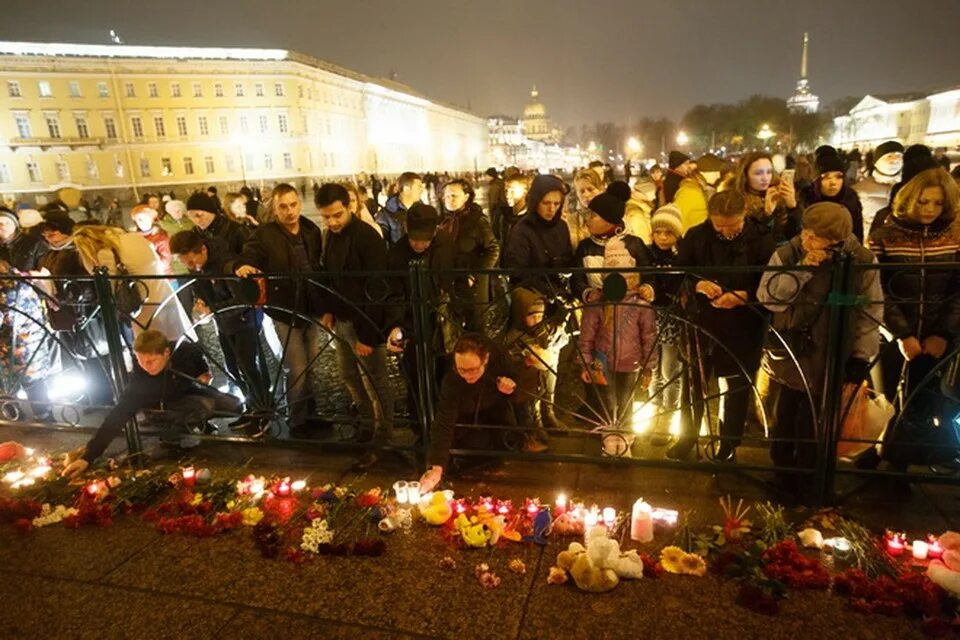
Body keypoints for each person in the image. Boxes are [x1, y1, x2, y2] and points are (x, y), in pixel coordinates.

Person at [758, 202, 882, 495]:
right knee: (786, 415)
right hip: (794, 349)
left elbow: (871, 312)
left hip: (834, 351)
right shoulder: (789, 252)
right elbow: (769, 297)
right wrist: (800, 271)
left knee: (819, 421)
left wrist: (861, 356)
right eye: (805, 232)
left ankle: (813, 480)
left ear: (835, 240)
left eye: (814, 237)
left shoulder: (861, 260)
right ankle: (783, 477)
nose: (806, 240)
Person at [671, 190, 776, 461]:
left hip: (745, 321)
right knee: (695, 381)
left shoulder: (761, 238)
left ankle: (729, 442)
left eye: (734, 226)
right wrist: (697, 284)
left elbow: (770, 280)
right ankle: (688, 436)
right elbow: (679, 273)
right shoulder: (697, 236)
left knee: (738, 383)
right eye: (720, 227)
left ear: (744, 217)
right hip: (702, 318)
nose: (728, 233)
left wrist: (745, 296)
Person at [866, 168, 960, 468]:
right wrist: (902, 334)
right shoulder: (885, 236)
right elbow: (878, 288)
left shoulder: (955, 237)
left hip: (937, 333)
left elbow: (958, 291)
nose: (930, 210)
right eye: (923, 202)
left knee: (923, 401)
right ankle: (879, 449)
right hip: (893, 332)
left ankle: (901, 465)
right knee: (886, 397)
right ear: (909, 200)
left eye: (937, 203)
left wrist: (943, 333)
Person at [61, 330, 242, 477]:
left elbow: (197, 356)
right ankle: (174, 437)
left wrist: (204, 372)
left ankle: (198, 423)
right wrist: (88, 457)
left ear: (166, 353)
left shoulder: (183, 352)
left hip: (191, 392)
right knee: (202, 407)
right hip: (164, 409)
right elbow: (117, 416)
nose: (146, 366)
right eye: (140, 361)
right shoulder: (140, 382)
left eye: (151, 361)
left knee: (234, 406)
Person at [229, 183, 324, 436]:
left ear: (299, 204)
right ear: (275, 208)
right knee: (297, 367)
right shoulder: (265, 235)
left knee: (311, 364)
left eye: (293, 205)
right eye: (283, 206)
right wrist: (243, 266)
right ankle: (296, 419)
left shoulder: (310, 229)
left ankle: (311, 414)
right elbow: (250, 255)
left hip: (310, 307)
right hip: (283, 310)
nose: (290, 211)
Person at [315, 183, 394, 469]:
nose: (332, 222)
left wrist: (369, 336)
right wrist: (328, 309)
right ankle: (365, 425)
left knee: (376, 382)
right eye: (326, 217)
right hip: (343, 320)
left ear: (350, 207)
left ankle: (383, 437)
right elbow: (330, 276)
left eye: (337, 215)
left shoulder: (367, 237)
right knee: (348, 374)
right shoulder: (329, 236)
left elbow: (377, 287)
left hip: (365, 323)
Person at [170, 230, 270, 425]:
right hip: (225, 322)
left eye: (191, 262)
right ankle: (252, 407)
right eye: (185, 263)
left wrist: (212, 308)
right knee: (232, 366)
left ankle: (264, 409)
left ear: (203, 250)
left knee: (247, 365)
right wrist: (202, 302)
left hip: (244, 320)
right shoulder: (200, 267)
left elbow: (241, 300)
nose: (190, 267)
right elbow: (203, 290)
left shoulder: (225, 263)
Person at [577, 231, 658, 458]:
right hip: (604, 365)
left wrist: (649, 366)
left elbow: (649, 337)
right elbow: (587, 337)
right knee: (607, 403)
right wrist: (586, 363)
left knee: (626, 404)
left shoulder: (642, 306)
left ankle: (624, 442)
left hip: (630, 364)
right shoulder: (597, 306)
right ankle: (608, 442)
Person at [418, 333, 518, 493]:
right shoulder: (452, 379)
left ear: (485, 359)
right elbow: (444, 421)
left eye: (472, 370)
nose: (467, 376)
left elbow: (522, 392)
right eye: (462, 370)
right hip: (465, 418)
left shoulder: (499, 359)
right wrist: (436, 467)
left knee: (498, 448)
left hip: (494, 415)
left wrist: (510, 389)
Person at [384, 203, 456, 428]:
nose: (419, 244)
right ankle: (421, 426)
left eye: (425, 239)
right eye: (415, 238)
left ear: (435, 232)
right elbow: (394, 293)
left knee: (447, 373)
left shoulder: (445, 244)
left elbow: (455, 278)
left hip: (444, 319)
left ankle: (447, 423)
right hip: (413, 321)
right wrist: (396, 325)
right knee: (416, 375)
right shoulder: (397, 252)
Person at [71, 224, 192, 341]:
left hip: (142, 304)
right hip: (165, 295)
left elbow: (107, 287)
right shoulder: (134, 237)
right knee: (178, 340)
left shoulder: (106, 253)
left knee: (153, 346)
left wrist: (89, 262)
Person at [439, 179, 500, 332]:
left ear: (466, 197)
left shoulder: (477, 220)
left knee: (475, 328)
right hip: (450, 282)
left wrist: (475, 275)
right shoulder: (443, 221)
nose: (450, 200)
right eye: (446, 196)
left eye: (454, 195)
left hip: (472, 284)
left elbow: (493, 249)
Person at [647, 204, 685, 446]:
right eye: (658, 232)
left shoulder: (681, 257)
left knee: (670, 370)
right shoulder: (647, 254)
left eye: (668, 232)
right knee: (652, 370)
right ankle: (655, 411)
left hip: (672, 318)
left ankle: (667, 416)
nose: (662, 237)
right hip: (651, 317)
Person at [728, 151, 800, 243]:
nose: (765, 178)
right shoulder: (735, 201)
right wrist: (766, 215)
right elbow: (744, 241)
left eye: (769, 172)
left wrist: (793, 207)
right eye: (758, 173)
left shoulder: (779, 195)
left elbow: (794, 235)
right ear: (745, 175)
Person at [797, 147, 865, 242]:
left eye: (838, 176)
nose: (833, 182)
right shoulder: (806, 199)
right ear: (817, 180)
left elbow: (858, 235)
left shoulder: (851, 200)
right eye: (826, 177)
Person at [854, 141, 903, 232]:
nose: (895, 160)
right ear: (877, 162)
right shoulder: (859, 190)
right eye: (889, 156)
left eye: (899, 156)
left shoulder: (910, 187)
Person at [185, 192, 249, 257]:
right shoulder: (195, 234)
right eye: (191, 217)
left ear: (211, 212)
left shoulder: (235, 229)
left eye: (199, 215)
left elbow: (250, 258)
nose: (196, 221)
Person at [376, 172, 423, 245]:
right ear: (406, 189)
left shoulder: (422, 210)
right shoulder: (386, 214)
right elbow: (380, 241)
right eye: (419, 187)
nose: (422, 190)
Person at [0, 206, 47, 272]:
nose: (3, 226)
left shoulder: (35, 244)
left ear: (15, 225)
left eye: (8, 223)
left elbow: (44, 273)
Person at [567, 168, 604, 251]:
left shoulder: (613, 216)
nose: (586, 195)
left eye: (590, 189)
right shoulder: (572, 220)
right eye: (582, 191)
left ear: (600, 189)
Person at [131, 204, 172, 274]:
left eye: (144, 218)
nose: (141, 221)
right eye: (138, 219)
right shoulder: (133, 238)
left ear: (151, 219)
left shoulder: (161, 237)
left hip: (162, 276)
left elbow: (166, 259)